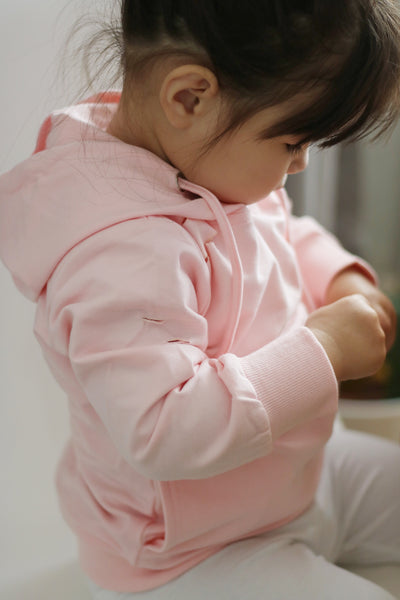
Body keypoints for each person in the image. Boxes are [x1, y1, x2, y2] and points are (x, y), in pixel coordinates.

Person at [1, 1, 400, 598]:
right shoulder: (118, 252)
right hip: (197, 550)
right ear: (189, 97)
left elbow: (280, 230)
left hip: (298, 474)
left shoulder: (208, 157)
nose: (301, 163)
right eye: (293, 141)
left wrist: (340, 278)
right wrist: (325, 352)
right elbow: (163, 426)